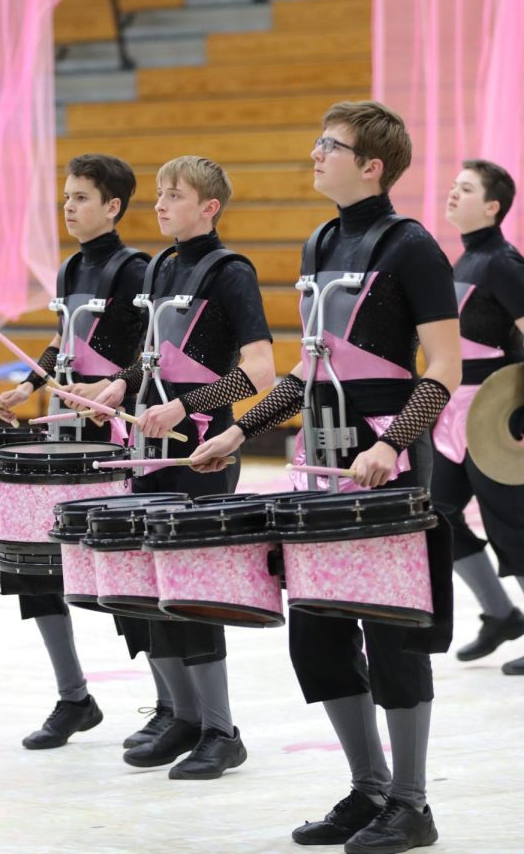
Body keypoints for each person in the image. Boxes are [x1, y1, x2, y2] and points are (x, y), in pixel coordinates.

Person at [190, 102, 461, 851]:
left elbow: (444, 365)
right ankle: (366, 789)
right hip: (319, 460)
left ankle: (412, 803)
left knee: (392, 632)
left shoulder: (411, 247)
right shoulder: (318, 241)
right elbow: (308, 374)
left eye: (329, 145)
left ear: (371, 164)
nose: (314, 153)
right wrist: (237, 430)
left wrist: (394, 444)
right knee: (317, 635)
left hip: (387, 461)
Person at [93, 155, 275, 779]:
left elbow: (259, 372)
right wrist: (120, 387)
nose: (162, 204)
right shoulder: (164, 266)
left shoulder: (231, 272)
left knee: (194, 589)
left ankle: (222, 731)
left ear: (210, 208)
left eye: (176, 195)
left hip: (201, 453)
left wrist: (184, 407)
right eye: (161, 194)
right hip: (149, 449)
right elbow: (153, 358)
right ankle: (184, 718)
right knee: (148, 584)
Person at [0, 153, 157, 750]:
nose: (68, 206)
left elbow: (150, 352)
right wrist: (28, 385)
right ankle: (74, 696)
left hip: (110, 434)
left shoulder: (135, 269)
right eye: (66, 196)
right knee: (33, 567)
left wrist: (114, 386)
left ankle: (170, 704)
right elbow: (65, 341)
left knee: (118, 568)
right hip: (65, 428)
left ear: (113, 206)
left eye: (82, 197)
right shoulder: (70, 269)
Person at [431, 160, 524, 673]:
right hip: (453, 416)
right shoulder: (463, 261)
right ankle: (500, 614)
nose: (452, 193)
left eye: (464, 189)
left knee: (513, 526)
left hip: (497, 417)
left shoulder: (503, 263)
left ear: (492, 206)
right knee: (439, 515)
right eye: (453, 185)